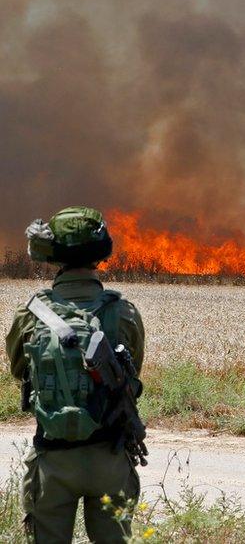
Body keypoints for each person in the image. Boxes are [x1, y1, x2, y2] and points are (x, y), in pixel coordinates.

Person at [6, 207, 146, 543]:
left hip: (53, 458)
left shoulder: (30, 313)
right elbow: (133, 375)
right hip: (110, 457)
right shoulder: (122, 312)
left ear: (53, 255)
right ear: (100, 252)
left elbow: (19, 370)